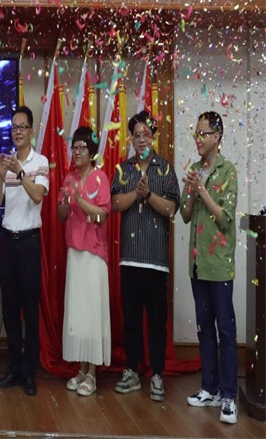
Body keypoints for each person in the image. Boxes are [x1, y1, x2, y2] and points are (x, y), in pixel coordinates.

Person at [111, 110, 180, 401]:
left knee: (156, 322)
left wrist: (149, 194)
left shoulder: (166, 169)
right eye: (136, 135)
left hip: (156, 261)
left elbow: (172, 208)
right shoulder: (123, 169)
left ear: (154, 137)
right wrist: (136, 194)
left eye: (146, 134)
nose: (141, 139)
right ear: (131, 139)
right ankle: (131, 371)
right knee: (131, 320)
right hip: (129, 259)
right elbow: (115, 203)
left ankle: (157, 375)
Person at [181, 111, 239, 424]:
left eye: (203, 134)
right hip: (197, 264)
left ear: (217, 137)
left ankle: (229, 396)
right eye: (197, 134)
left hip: (219, 265)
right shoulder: (194, 170)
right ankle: (210, 388)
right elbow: (186, 215)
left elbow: (225, 218)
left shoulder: (228, 171)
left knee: (226, 331)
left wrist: (202, 189)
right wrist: (191, 192)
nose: (199, 139)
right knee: (205, 328)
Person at [0, 106, 49, 396]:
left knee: (30, 310)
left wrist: (20, 171)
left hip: (28, 243)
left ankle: (29, 372)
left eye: (22, 126)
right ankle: (12, 369)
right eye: (14, 127)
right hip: (8, 242)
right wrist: (2, 177)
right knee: (10, 309)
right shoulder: (7, 162)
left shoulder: (40, 162)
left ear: (31, 131)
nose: (18, 131)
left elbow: (38, 196)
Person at [58, 126, 111, 397]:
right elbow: (60, 216)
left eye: (82, 148)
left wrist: (79, 199)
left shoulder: (100, 178)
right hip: (74, 252)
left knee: (92, 313)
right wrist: (66, 202)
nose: (77, 152)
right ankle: (80, 368)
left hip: (94, 253)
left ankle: (92, 372)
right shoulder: (69, 178)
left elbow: (102, 215)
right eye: (74, 147)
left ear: (91, 153)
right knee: (78, 313)